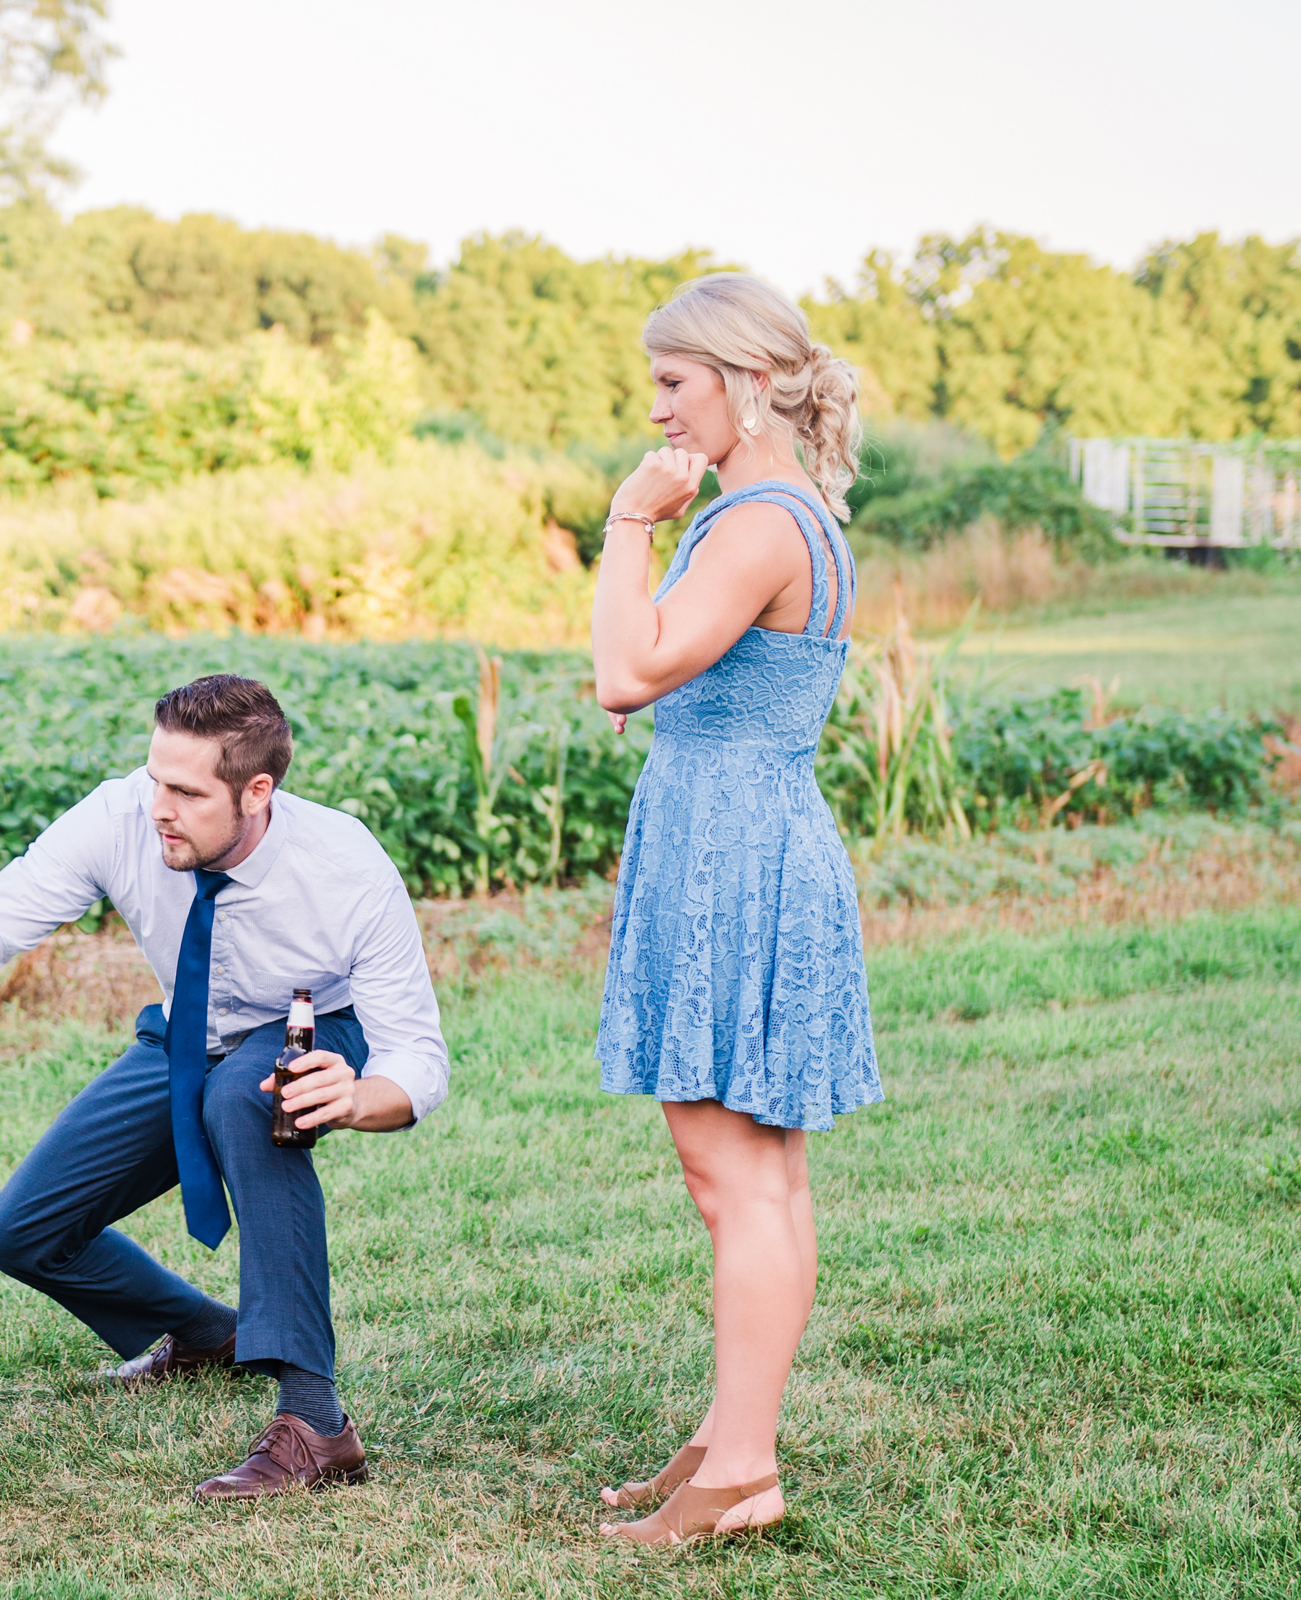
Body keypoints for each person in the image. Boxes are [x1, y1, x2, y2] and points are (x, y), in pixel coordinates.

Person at [0, 674, 450, 1501]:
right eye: (154, 780)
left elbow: (419, 1055)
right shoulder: (120, 818)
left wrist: (360, 1097)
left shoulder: (345, 865)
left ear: (257, 792)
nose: (158, 808)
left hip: (311, 1029)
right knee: (18, 1232)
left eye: (184, 791)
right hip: (185, 1037)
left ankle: (317, 1423)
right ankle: (207, 1332)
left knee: (244, 1097)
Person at [587, 273, 882, 1544]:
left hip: (734, 848)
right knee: (758, 1175)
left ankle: (743, 1474)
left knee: (736, 1178)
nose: (657, 408)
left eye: (674, 381)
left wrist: (623, 527)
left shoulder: (759, 519)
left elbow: (626, 673)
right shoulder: (784, 509)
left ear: (747, 383)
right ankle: (729, 1432)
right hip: (739, 834)